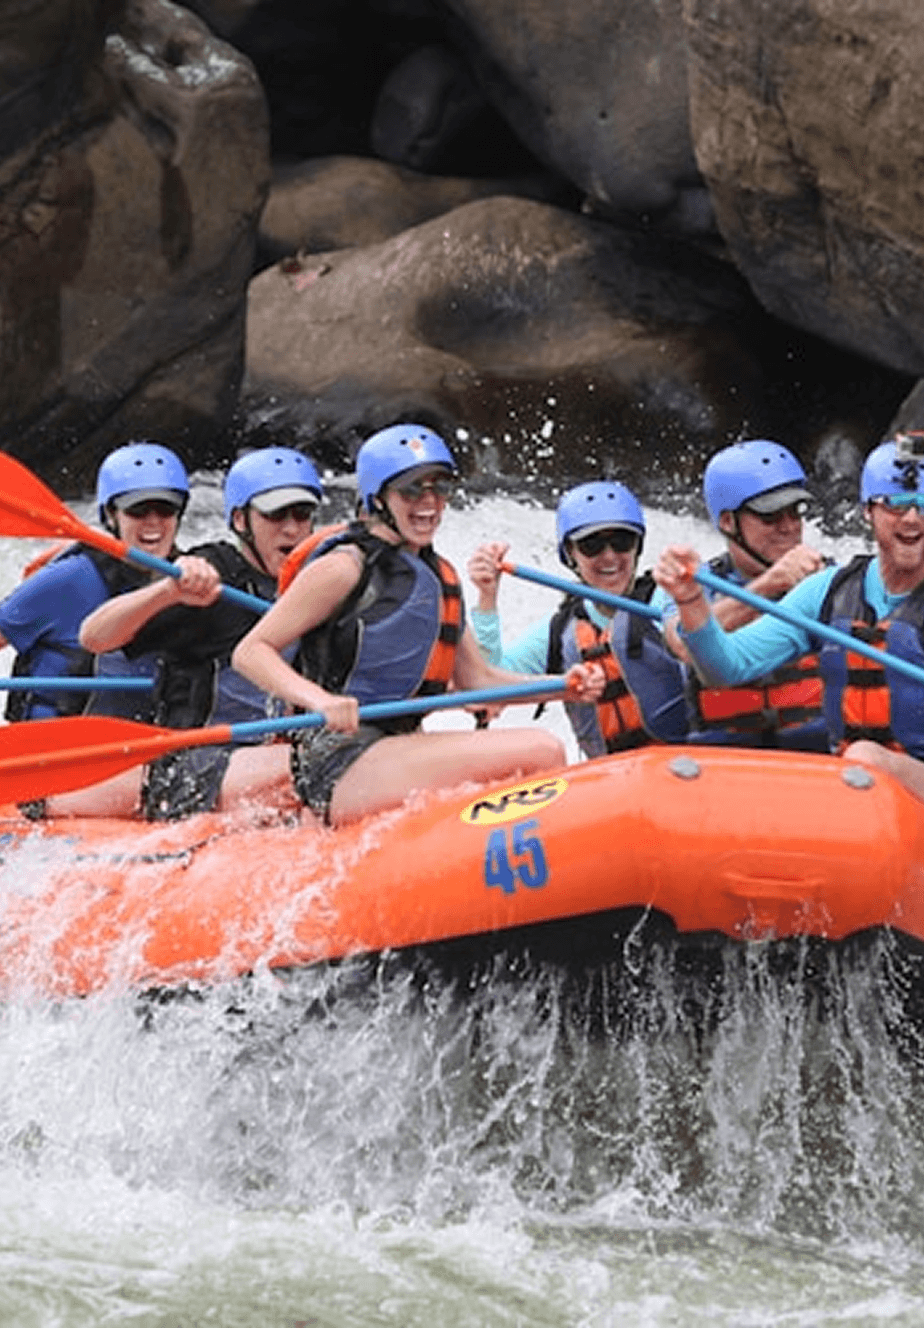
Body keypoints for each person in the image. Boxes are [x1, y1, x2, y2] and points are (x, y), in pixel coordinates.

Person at [230, 423, 604, 825]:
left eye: (438, 488)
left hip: (398, 745)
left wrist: (562, 687)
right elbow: (250, 652)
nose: (429, 502)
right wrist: (320, 700)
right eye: (411, 489)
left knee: (535, 750)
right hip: (338, 759)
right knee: (542, 748)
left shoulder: (441, 577)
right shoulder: (342, 568)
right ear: (379, 498)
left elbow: (477, 679)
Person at [653, 433, 924, 802]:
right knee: (859, 764)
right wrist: (691, 603)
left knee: (863, 759)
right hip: (851, 794)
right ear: (867, 511)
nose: (912, 519)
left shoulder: (815, 576)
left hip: (892, 780)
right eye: (895, 504)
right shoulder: (828, 591)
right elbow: (726, 667)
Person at [78, 446, 323, 820]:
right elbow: (94, 636)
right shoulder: (213, 575)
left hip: (275, 752)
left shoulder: (318, 579)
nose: (291, 528)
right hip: (192, 764)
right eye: (275, 515)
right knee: (324, 768)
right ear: (241, 520)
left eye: (302, 514)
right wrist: (168, 591)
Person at [467, 480, 687, 758]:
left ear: (638, 546)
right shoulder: (560, 632)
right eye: (591, 545)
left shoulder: (669, 600)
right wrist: (487, 598)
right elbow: (487, 687)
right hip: (609, 778)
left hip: (686, 765)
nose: (609, 557)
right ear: (570, 554)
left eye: (622, 541)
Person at [652, 438, 829, 750]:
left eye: (795, 512)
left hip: (816, 758)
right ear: (727, 521)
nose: (789, 527)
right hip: (726, 761)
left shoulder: (831, 579)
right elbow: (683, 644)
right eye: (770, 516)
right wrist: (770, 584)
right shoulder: (690, 584)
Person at [0, 439, 190, 726]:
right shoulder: (70, 578)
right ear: (111, 515)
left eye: (165, 510)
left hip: (144, 751)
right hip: (55, 746)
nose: (153, 521)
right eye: (137, 511)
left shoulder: (195, 580)